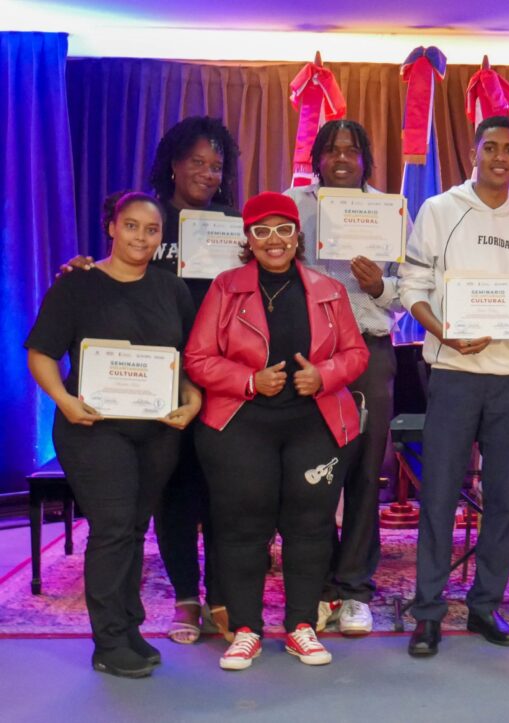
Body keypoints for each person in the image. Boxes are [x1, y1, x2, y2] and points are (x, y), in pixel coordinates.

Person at [64, 117, 242, 644]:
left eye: (217, 166)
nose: (208, 174)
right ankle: (186, 599)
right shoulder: (147, 217)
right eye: (197, 163)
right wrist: (79, 269)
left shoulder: (231, 225)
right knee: (176, 492)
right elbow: (109, 275)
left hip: (219, 375)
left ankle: (224, 598)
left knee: (225, 492)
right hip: (153, 382)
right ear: (173, 163)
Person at [185, 192, 369, 670]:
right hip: (241, 425)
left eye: (283, 229)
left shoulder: (329, 289)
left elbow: (356, 354)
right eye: (261, 231)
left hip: (315, 424)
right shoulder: (226, 288)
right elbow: (198, 358)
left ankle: (301, 626)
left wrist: (323, 376)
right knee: (243, 527)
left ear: (297, 235)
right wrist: (249, 380)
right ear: (248, 238)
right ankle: (246, 629)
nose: (273, 240)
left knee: (309, 528)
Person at [26, 192, 202, 678]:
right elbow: (40, 352)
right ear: (111, 227)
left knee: (135, 530)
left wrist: (194, 400)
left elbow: (184, 360)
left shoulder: (172, 291)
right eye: (131, 226)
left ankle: (129, 628)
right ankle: (107, 642)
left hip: (158, 429)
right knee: (113, 529)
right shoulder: (76, 285)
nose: (141, 238)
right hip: (92, 427)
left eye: (151, 229)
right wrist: (64, 401)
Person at [398, 115, 509, 657]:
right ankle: (429, 612)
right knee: (437, 497)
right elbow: (412, 287)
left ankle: (486, 605)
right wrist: (443, 332)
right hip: (454, 374)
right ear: (474, 153)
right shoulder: (439, 211)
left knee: (503, 500)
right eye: (491, 147)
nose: (501, 157)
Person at [284, 119, 403, 637]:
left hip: (370, 349)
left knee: (362, 470)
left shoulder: (390, 209)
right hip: (306, 354)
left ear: (365, 159)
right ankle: (318, 587)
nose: (341, 158)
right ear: (316, 155)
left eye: (352, 150)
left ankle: (354, 588)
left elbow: (410, 288)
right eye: (331, 149)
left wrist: (380, 287)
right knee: (309, 473)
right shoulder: (292, 204)